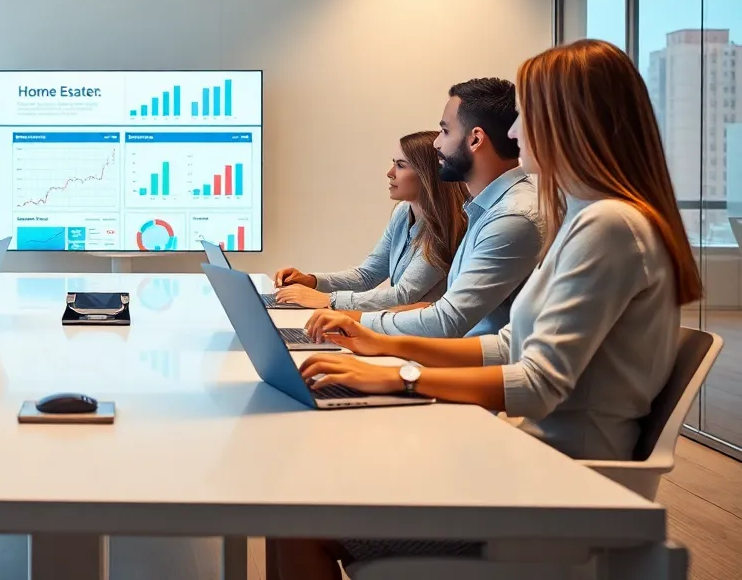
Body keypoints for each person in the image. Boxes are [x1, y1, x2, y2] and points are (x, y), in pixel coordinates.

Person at [274, 39, 702, 579]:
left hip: (553, 494)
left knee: (297, 513)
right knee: (314, 486)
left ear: (566, 123)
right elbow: (509, 345)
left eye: (526, 117)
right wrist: (382, 344)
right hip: (527, 467)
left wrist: (399, 377)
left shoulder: (608, 225)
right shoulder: (588, 218)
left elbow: (537, 383)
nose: (515, 133)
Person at [304, 78, 542, 338]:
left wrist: (351, 318)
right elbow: (442, 312)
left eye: (445, 131)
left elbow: (447, 322)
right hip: (453, 353)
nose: (437, 143)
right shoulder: (485, 208)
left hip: (466, 358)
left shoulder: (511, 217)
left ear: (475, 140)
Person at [272, 131, 468, 311]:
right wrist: (312, 281)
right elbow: (367, 275)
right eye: (393, 163)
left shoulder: (446, 228)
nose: (390, 173)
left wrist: (329, 300)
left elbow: (403, 296)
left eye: (400, 165)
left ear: (428, 174)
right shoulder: (402, 213)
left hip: (423, 333)